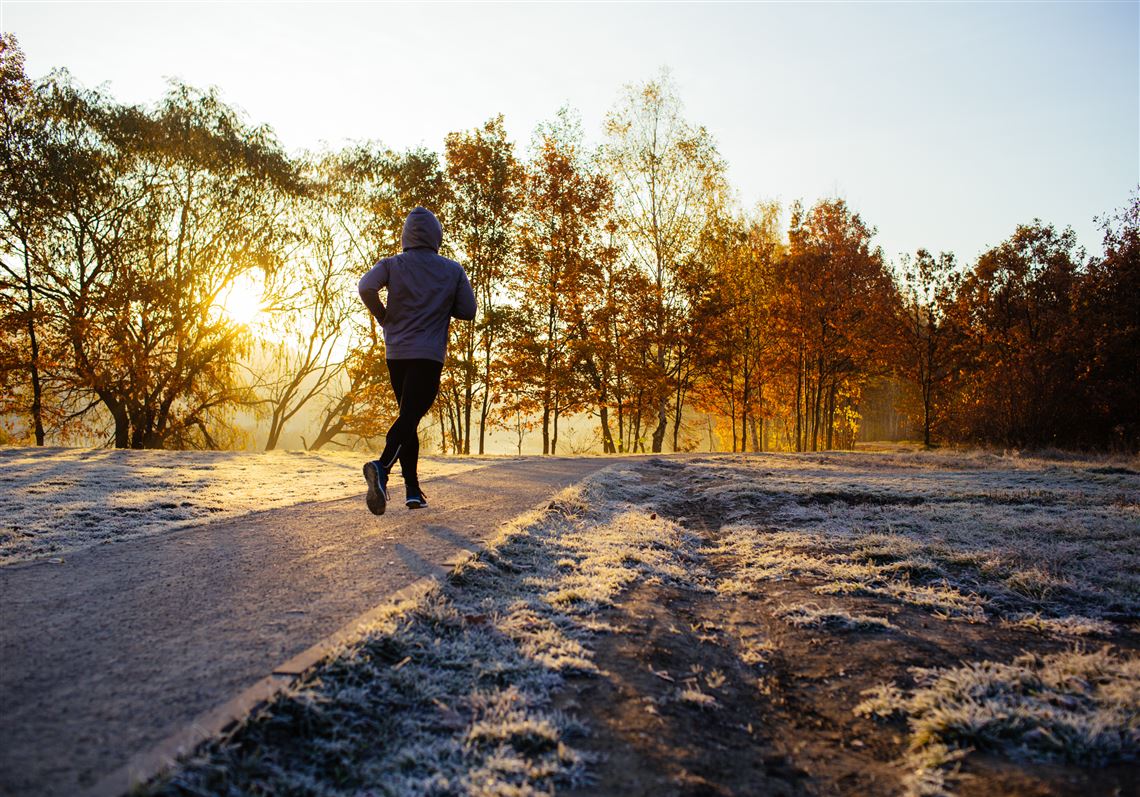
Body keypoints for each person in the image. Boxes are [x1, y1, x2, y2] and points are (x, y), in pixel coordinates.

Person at [357, 206, 476, 515]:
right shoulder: (452, 270)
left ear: (406, 235)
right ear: (436, 235)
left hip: (396, 353)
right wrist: (441, 301)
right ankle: (381, 467)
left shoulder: (392, 264)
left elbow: (366, 286)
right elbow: (469, 310)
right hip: (428, 354)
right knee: (409, 417)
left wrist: (384, 317)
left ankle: (412, 490)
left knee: (407, 417)